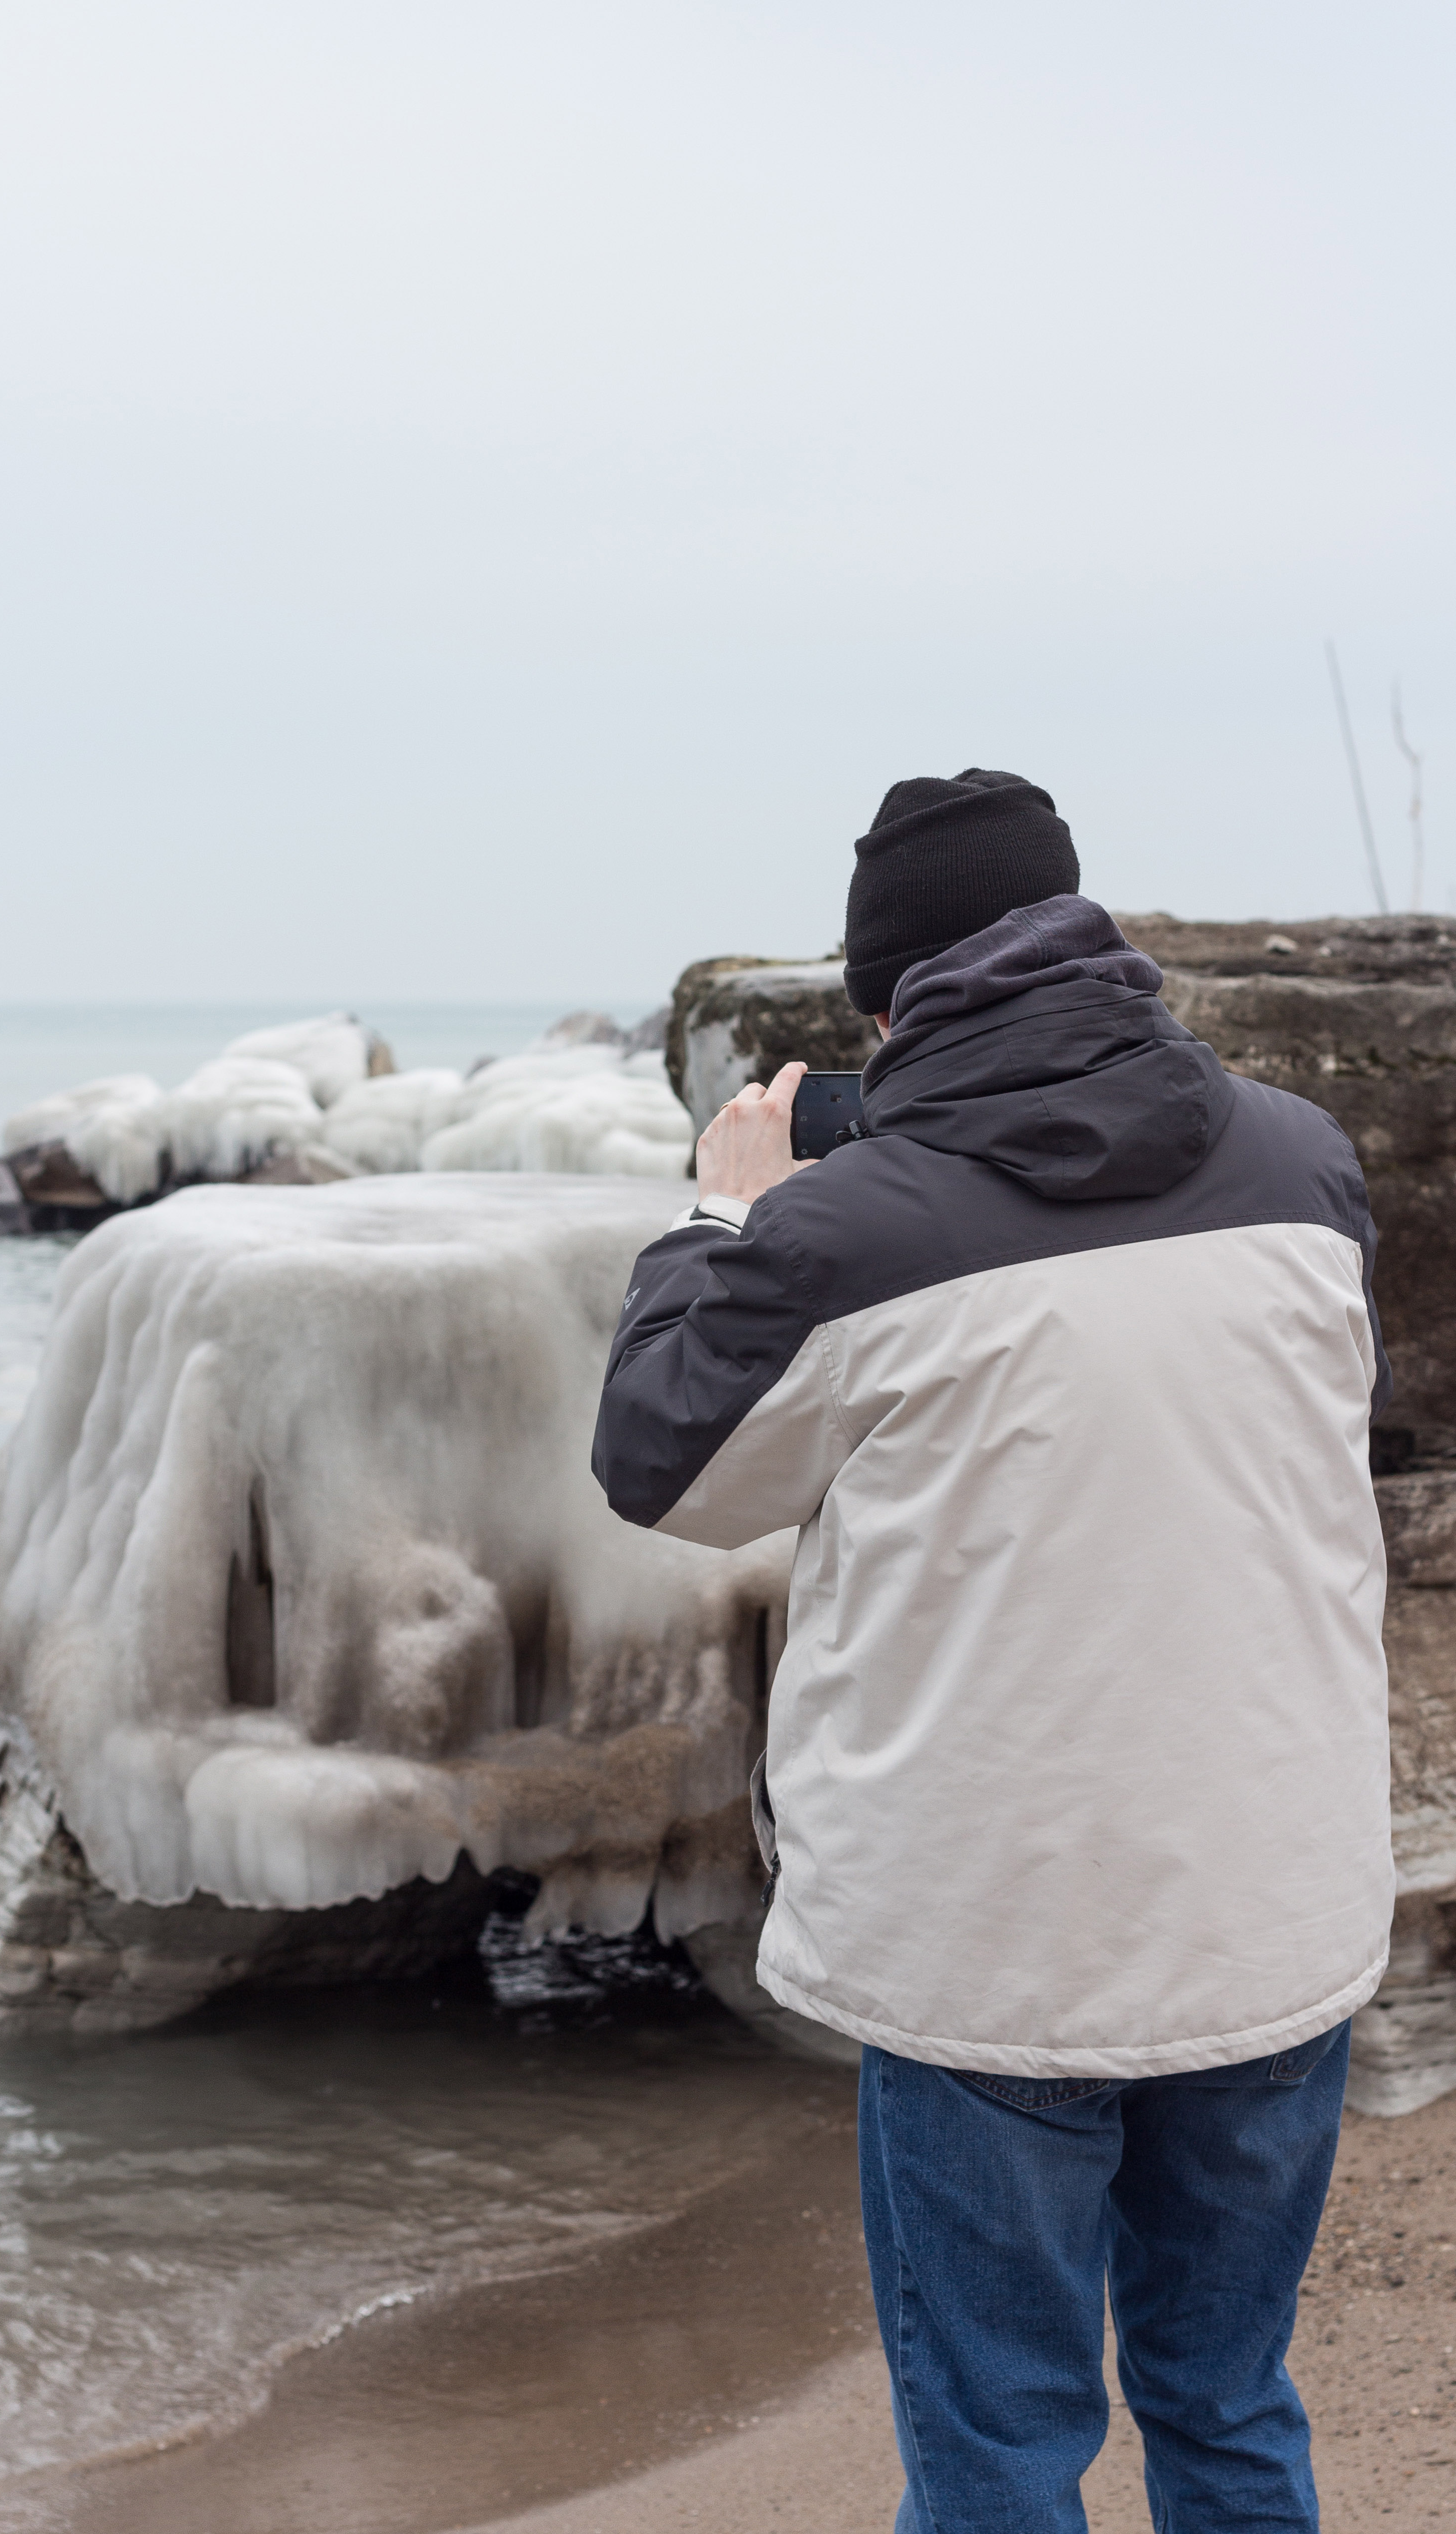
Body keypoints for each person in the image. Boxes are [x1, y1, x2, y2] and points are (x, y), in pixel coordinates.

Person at [591, 768, 1392, 2532]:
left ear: (887, 999)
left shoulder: (837, 1240)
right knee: (1227, 2396)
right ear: (1083, 942)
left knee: (1001, 2451)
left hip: (996, 1941)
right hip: (1275, 1898)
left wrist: (722, 1211)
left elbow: (662, 1463)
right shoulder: (1306, 1168)